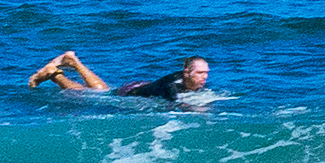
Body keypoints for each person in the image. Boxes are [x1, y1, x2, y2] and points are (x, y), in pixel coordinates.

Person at [30, 51, 215, 100]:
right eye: (199, 73)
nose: (204, 77)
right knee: (92, 94)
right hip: (130, 92)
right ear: (186, 72)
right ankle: (57, 74)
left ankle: (71, 64)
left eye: (206, 73)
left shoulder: (187, 79)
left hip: (143, 86)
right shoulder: (171, 86)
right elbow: (177, 104)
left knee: (99, 91)